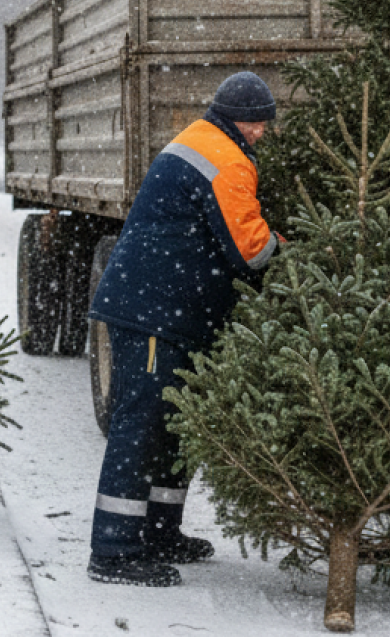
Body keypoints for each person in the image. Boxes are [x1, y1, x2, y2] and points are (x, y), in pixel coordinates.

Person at [86, 71, 281, 587]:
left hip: (168, 310)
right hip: (155, 312)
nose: (262, 133)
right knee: (142, 421)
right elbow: (251, 248)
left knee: (174, 422)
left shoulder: (202, 140)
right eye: (258, 124)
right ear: (239, 119)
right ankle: (114, 549)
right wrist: (288, 246)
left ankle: (159, 532)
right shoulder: (226, 159)